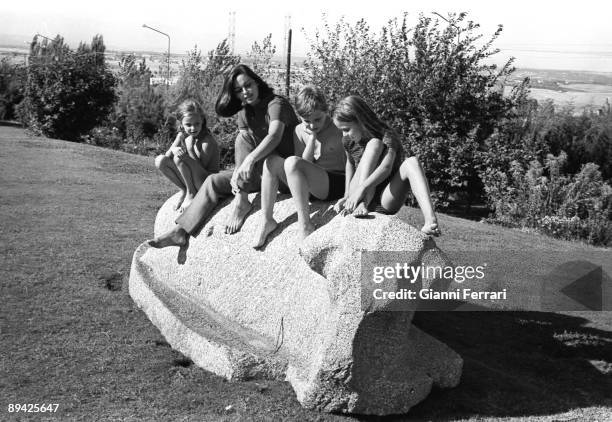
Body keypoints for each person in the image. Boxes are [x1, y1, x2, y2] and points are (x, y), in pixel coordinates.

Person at [148, 64, 299, 249]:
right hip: (260, 174)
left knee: (243, 137)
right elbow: (244, 146)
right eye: (238, 90)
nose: (245, 92)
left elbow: (274, 136)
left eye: (248, 85)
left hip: (283, 173)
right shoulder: (245, 112)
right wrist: (239, 170)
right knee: (213, 180)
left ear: (257, 83)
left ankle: (242, 202)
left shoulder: (276, 104)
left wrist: (250, 159)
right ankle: (180, 231)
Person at [332, 95, 441, 236]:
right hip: (357, 197)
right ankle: (362, 202)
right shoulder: (348, 140)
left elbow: (386, 168)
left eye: (347, 129)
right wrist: (347, 195)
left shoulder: (387, 136)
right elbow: (350, 164)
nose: (344, 134)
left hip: (384, 198)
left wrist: (363, 188)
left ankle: (430, 221)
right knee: (374, 143)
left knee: (412, 161)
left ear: (361, 121)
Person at [253, 85, 345, 248]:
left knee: (292, 162)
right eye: (307, 121)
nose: (312, 125)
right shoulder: (298, 131)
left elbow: (353, 159)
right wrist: (311, 140)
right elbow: (304, 164)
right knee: (271, 162)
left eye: (318, 119)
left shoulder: (338, 128)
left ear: (326, 111)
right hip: (310, 186)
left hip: (334, 182)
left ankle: (305, 225)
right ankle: (267, 220)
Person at [154, 99, 219, 211]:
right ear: (181, 124)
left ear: (202, 121)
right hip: (194, 181)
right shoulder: (184, 135)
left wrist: (189, 149)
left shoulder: (207, 142)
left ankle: (191, 193)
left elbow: (200, 170)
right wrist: (177, 142)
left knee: (180, 158)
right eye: (188, 125)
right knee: (160, 160)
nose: (193, 128)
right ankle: (185, 190)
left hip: (206, 183)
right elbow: (167, 156)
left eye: (197, 124)